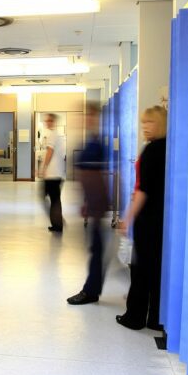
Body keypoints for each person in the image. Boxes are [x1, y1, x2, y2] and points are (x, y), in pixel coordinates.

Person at [116, 106, 168, 330]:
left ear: (161, 124)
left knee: (140, 269)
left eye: (150, 122)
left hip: (148, 218)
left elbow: (143, 191)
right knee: (157, 268)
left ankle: (134, 317)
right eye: (143, 122)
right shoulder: (169, 147)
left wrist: (127, 218)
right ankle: (156, 317)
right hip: (163, 216)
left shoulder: (151, 150)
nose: (145, 127)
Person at [67, 102, 110, 305]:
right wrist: (85, 201)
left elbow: (99, 176)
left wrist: (94, 203)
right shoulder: (90, 142)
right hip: (92, 202)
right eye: (85, 116)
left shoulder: (97, 144)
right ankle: (92, 288)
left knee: (97, 247)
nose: (86, 120)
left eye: (90, 116)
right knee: (96, 246)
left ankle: (91, 291)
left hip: (97, 202)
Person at [40, 113, 66, 232]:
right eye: (47, 120)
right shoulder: (58, 136)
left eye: (50, 120)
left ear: (54, 122)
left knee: (50, 198)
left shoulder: (52, 135)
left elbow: (50, 152)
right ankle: (57, 222)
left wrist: (44, 168)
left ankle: (58, 222)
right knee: (54, 199)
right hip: (57, 174)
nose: (47, 122)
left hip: (52, 175)